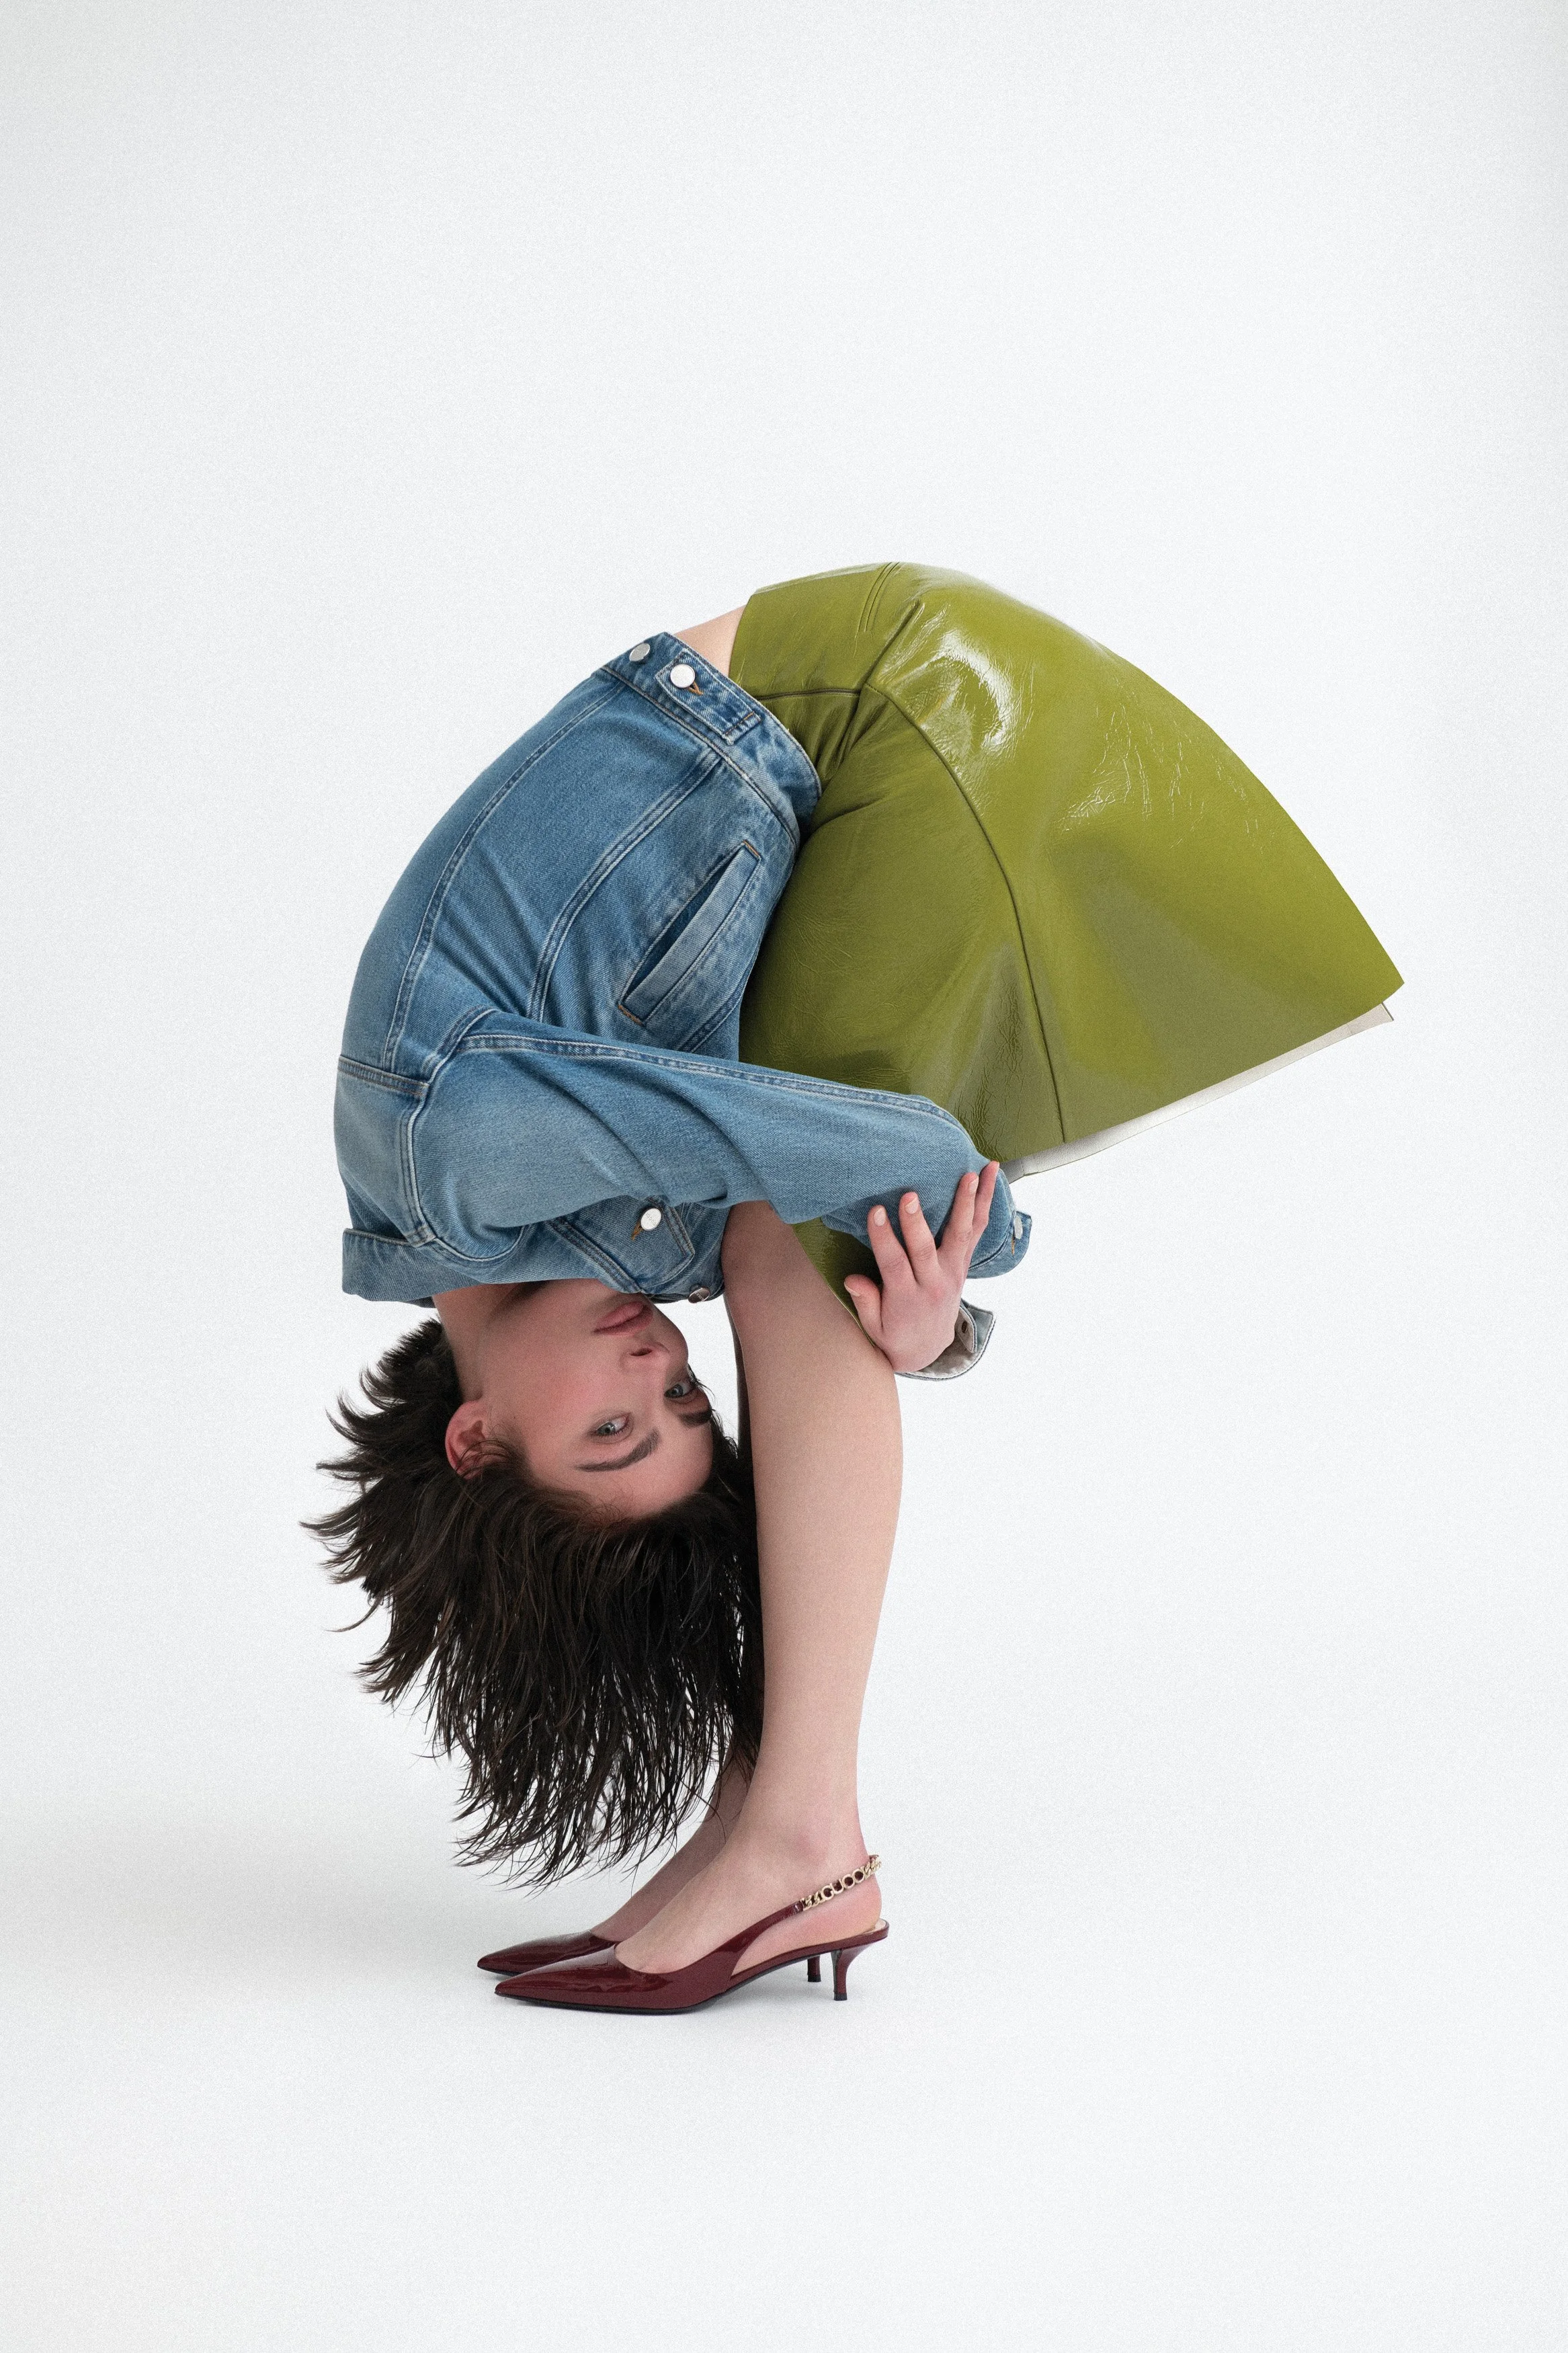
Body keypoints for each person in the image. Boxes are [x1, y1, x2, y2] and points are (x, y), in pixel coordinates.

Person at [312, 567, 1399, 2014]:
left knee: (782, 1243)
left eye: (615, 1431)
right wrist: (932, 1331)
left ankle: (800, 1837)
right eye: (683, 1403)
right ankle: (753, 1823)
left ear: (476, 1436)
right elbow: (857, 1233)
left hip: (899, 708)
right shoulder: (566, 1240)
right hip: (877, 738)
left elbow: (892, 1163)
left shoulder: (452, 1156)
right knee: (792, 1250)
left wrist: (977, 1241)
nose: (654, 1368)